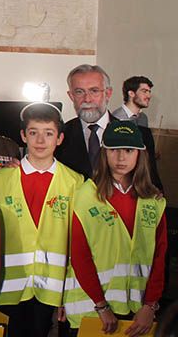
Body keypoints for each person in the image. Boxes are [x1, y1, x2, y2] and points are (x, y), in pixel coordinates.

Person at [0, 102, 83, 337]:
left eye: (48, 133)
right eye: (33, 133)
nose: (40, 140)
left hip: (52, 288)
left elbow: (78, 242)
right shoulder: (0, 180)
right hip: (7, 287)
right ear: (23, 136)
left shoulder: (75, 182)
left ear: (59, 138)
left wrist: (70, 293)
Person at [63, 121, 166, 335]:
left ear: (140, 154)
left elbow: (159, 257)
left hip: (137, 314)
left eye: (128, 150)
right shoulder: (85, 196)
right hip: (91, 311)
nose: (121, 158)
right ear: (104, 153)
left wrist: (150, 305)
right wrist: (101, 306)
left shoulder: (154, 201)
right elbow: (79, 256)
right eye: (114, 150)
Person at [56, 64, 161, 190]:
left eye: (94, 91)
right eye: (79, 92)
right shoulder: (59, 136)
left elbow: (152, 186)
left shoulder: (140, 135)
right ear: (71, 96)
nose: (87, 99)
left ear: (108, 93)